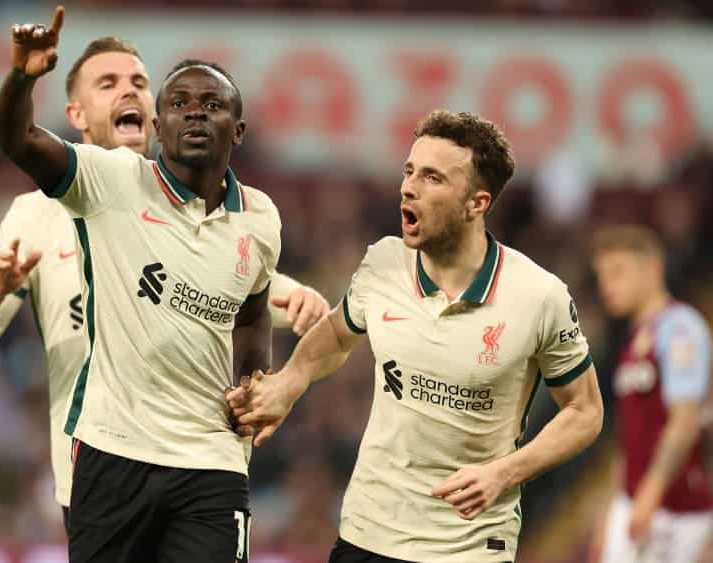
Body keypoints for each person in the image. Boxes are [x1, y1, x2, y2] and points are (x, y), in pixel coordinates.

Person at [0, 34, 328, 534]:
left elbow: (231, 291)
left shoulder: (230, 216)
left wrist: (291, 303)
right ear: (76, 113)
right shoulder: (37, 214)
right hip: (97, 461)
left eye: (139, 82)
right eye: (108, 83)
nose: (128, 91)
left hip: (199, 460)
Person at [228, 110, 604, 562]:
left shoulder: (539, 296)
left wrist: (506, 473)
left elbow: (585, 411)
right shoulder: (384, 263)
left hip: (469, 545)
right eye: (409, 172)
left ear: (476, 204)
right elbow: (336, 335)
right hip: (369, 533)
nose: (409, 187)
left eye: (432, 178)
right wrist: (291, 382)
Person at [589, 225, 711, 563]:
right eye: (602, 277)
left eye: (618, 272)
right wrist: (609, 510)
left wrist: (651, 492)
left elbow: (685, 421)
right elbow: (630, 438)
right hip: (634, 500)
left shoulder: (680, 328)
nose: (607, 286)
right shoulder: (634, 340)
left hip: (676, 510)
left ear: (653, 269)